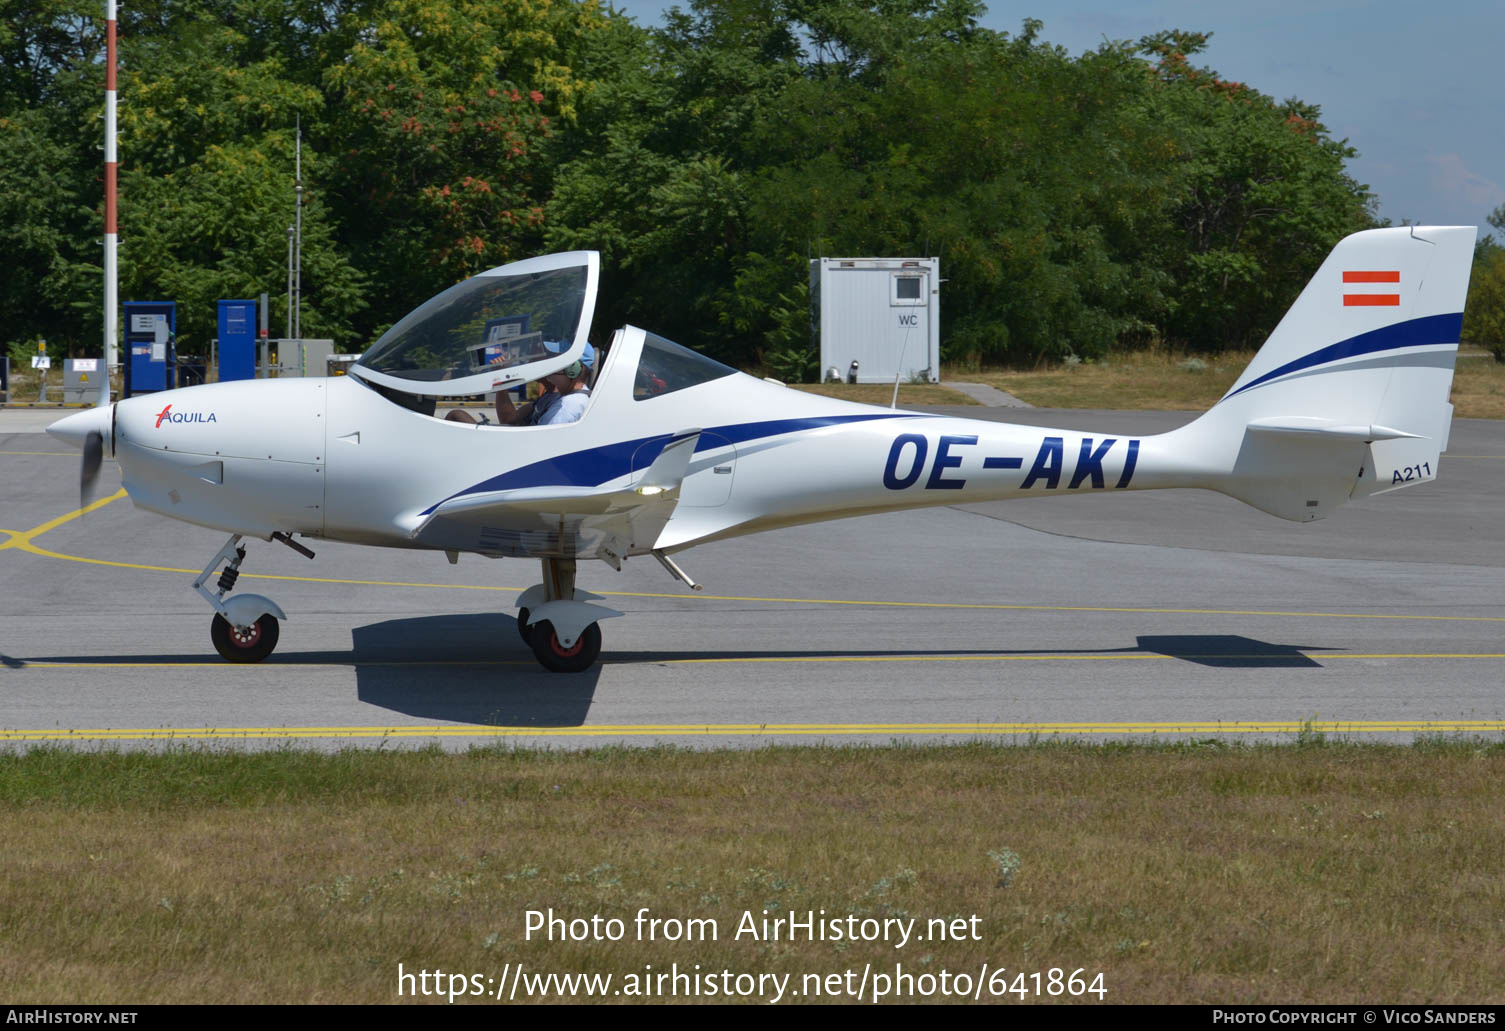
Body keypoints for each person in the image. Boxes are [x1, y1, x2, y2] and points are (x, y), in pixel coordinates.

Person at [447, 341, 595, 426]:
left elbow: (541, 449)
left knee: (456, 416)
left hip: (516, 455)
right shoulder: (556, 398)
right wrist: (501, 379)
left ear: (572, 369)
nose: (549, 362)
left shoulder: (567, 407)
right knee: (457, 415)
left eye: (555, 359)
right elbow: (509, 419)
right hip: (515, 446)